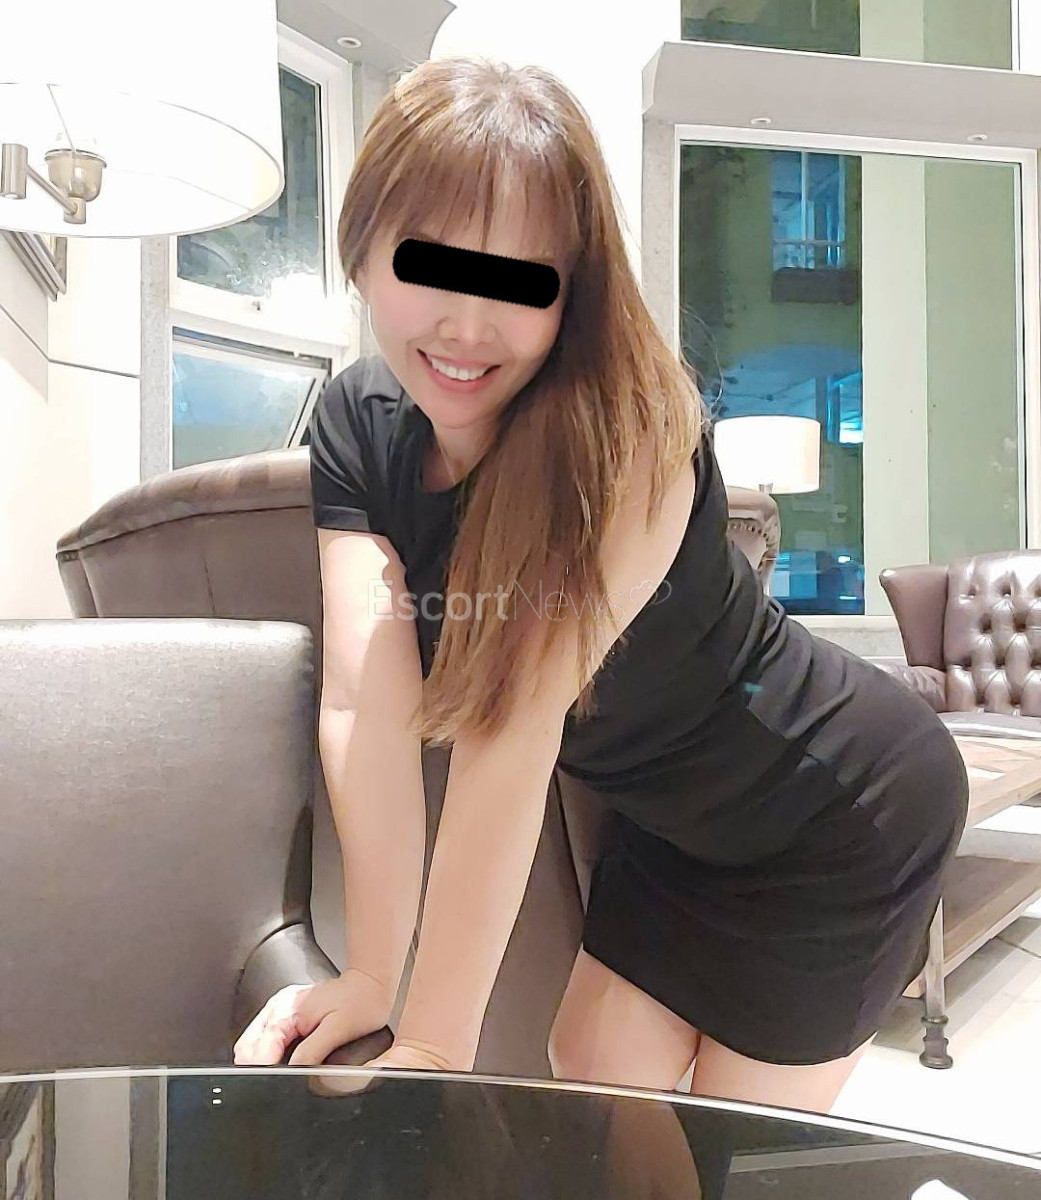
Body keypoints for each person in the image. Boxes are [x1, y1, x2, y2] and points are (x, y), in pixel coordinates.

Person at [233, 55, 969, 1115]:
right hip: (670, 834)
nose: (466, 325)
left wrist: (434, 1042)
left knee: (729, 1146)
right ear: (359, 250)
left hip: (832, 810)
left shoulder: (631, 436)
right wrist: (372, 974)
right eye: (425, 263)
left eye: (518, 280)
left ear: (573, 294)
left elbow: (512, 732)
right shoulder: (358, 423)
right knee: (594, 1089)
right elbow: (364, 704)